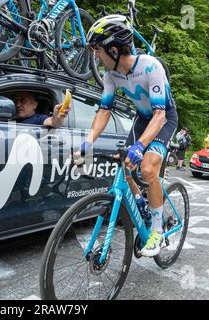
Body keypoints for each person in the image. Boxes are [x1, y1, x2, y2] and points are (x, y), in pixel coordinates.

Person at [75, 15, 178, 257]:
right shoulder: (111, 76)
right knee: (124, 166)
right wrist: (86, 143)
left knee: (148, 169)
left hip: (163, 118)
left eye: (97, 51)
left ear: (113, 50)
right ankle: (141, 204)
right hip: (142, 120)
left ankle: (156, 231)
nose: (96, 57)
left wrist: (140, 146)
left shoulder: (151, 66)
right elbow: (104, 111)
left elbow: (160, 115)